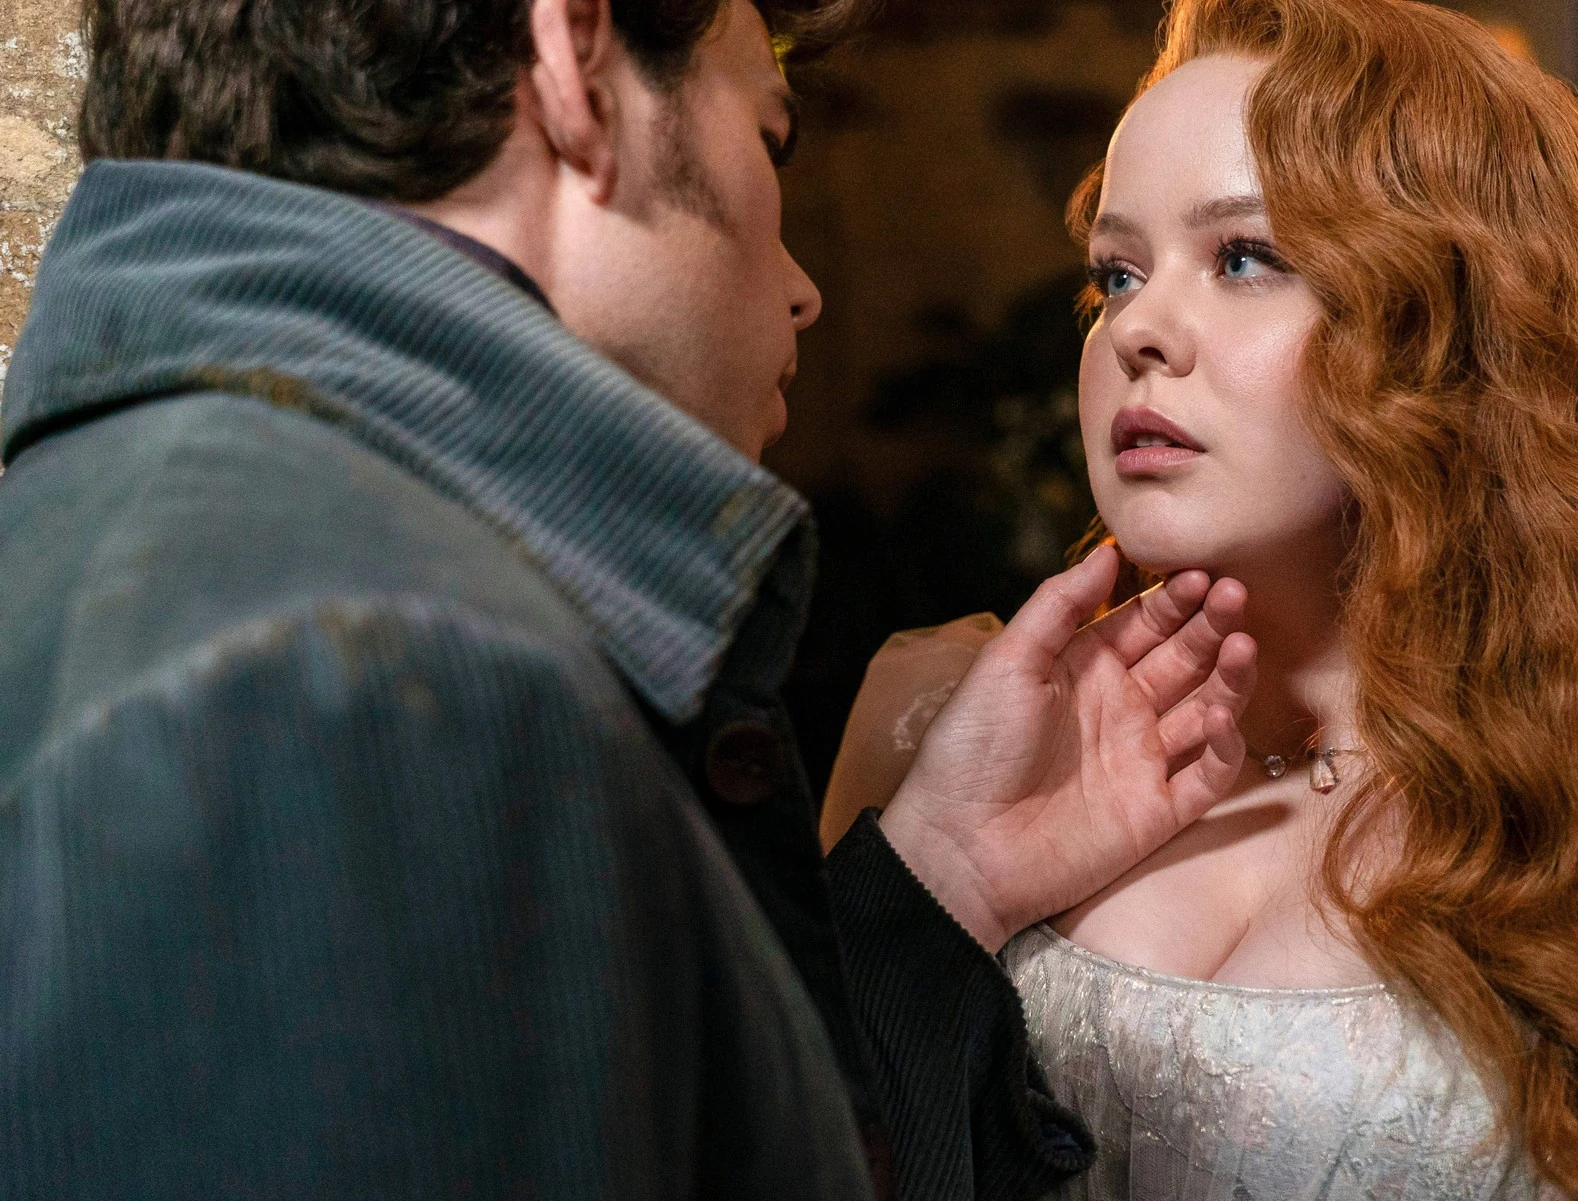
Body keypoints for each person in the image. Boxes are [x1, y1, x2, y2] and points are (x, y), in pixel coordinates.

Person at [0, 0, 1266, 1197]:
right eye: (768, 134)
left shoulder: (159, 533)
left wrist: (940, 880)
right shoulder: (354, 685)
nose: (805, 285)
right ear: (575, 66)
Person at [823, 0, 1578, 1197]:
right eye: (1116, 274)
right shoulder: (940, 732)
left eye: (1244, 258)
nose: (1139, 330)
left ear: (1455, 328)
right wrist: (938, 882)